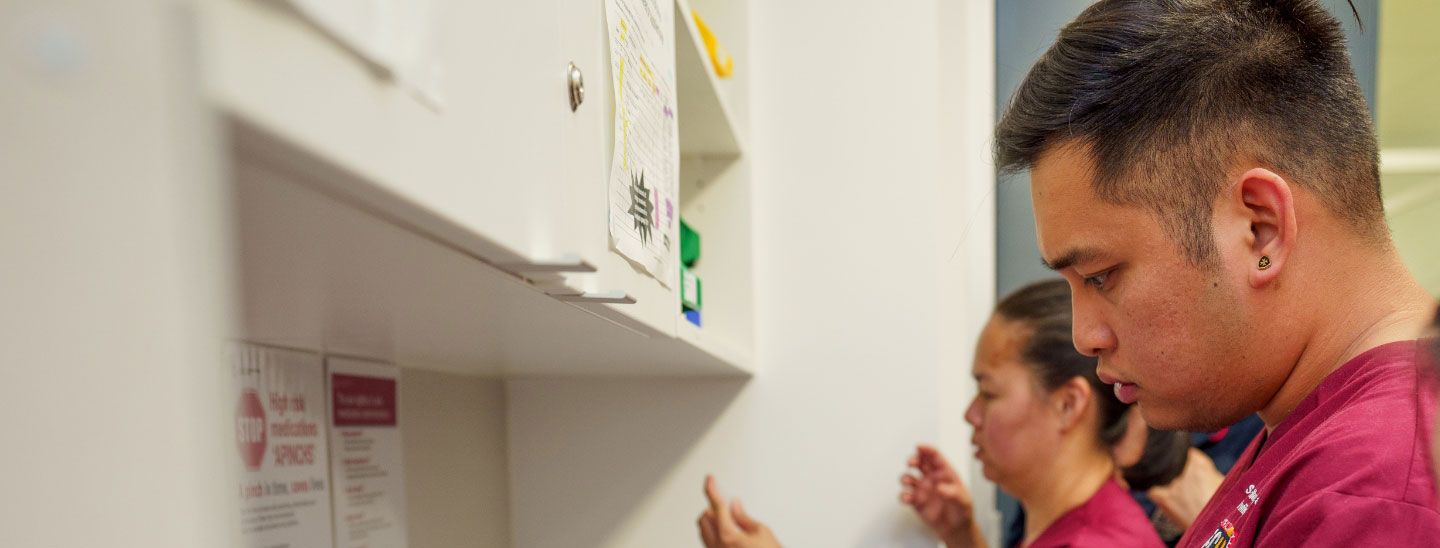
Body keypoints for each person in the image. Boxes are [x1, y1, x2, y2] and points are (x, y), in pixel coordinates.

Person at [996, 0, 1440, 544]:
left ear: (1260, 230)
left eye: (1099, 276)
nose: (1084, 337)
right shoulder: (1317, 431)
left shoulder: (1374, 495)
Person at [699, 280, 1164, 547]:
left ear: (1068, 405)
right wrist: (962, 536)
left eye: (988, 393)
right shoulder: (1076, 524)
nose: (970, 415)